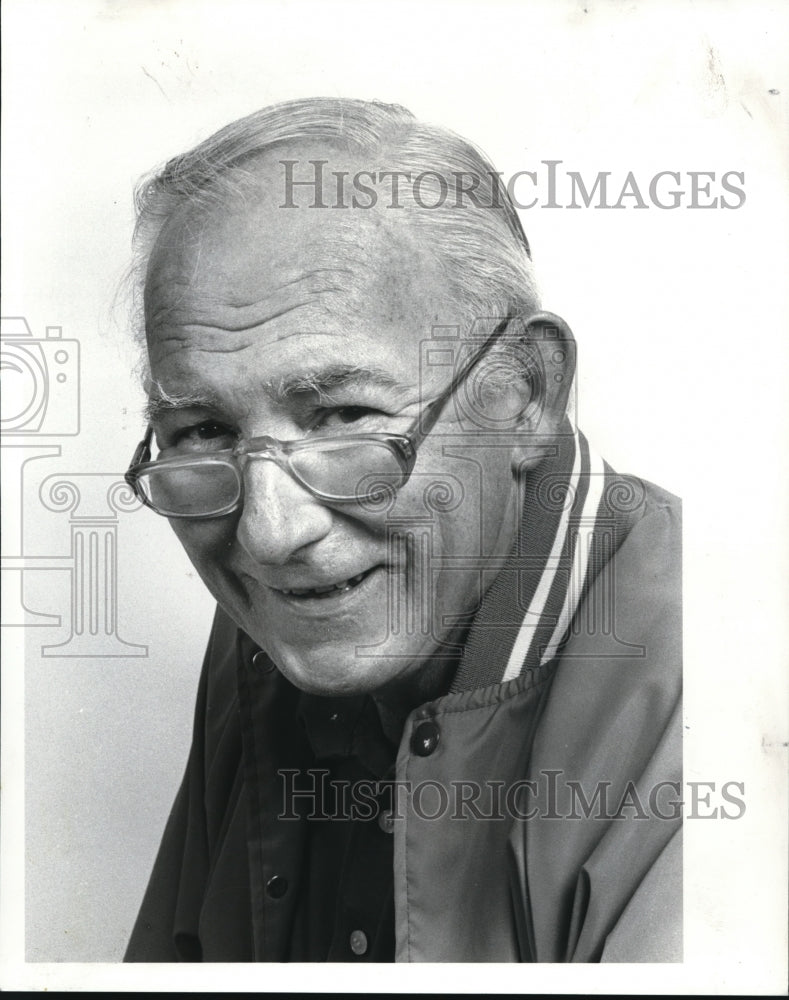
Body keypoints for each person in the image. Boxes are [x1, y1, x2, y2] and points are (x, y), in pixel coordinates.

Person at [122, 97, 681, 963]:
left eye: (344, 414)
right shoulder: (289, 619)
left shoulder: (715, 667)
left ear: (524, 392)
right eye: (202, 431)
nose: (270, 535)